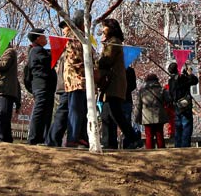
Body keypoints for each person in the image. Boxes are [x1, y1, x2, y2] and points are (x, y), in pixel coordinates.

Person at [96, 18, 142, 149]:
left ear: (110, 28)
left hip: (113, 83)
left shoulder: (115, 42)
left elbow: (106, 60)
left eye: (104, 27)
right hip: (109, 84)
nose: (102, 30)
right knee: (106, 113)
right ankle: (108, 142)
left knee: (115, 113)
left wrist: (95, 62)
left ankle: (132, 138)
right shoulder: (110, 42)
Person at [47, 11, 86, 147]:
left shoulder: (78, 38)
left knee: (75, 110)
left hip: (72, 80)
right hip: (74, 80)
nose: (64, 31)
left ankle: (76, 136)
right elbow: (75, 59)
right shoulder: (74, 38)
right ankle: (70, 138)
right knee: (72, 110)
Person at [24, 28, 56, 145]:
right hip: (41, 85)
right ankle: (33, 138)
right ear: (38, 38)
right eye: (43, 36)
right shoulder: (36, 51)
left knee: (47, 112)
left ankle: (43, 138)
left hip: (46, 86)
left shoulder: (40, 50)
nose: (45, 37)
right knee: (39, 111)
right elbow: (47, 60)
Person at [134, 72, 169, 149]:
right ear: (156, 80)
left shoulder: (142, 91)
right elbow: (168, 100)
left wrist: (136, 118)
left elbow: (138, 105)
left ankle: (149, 152)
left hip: (147, 117)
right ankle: (162, 152)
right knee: (159, 135)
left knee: (149, 136)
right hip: (159, 115)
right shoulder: (161, 90)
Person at [167, 61, 199, 147]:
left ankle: (178, 145)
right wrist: (190, 74)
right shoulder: (182, 78)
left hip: (176, 106)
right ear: (177, 69)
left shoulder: (170, 81)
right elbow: (195, 81)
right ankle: (185, 145)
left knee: (178, 126)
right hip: (185, 105)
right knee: (187, 125)